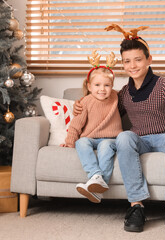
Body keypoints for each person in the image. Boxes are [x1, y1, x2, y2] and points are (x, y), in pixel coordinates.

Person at [74, 24, 165, 233]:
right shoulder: (122, 93)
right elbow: (103, 109)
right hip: (140, 139)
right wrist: (82, 103)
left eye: (138, 59)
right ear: (122, 65)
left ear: (149, 60)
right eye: (127, 61)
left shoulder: (164, 85)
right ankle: (136, 206)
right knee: (123, 137)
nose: (133, 65)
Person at [60, 50, 123, 204]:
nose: (102, 89)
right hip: (90, 138)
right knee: (81, 142)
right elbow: (76, 125)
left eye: (107, 85)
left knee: (105, 147)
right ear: (89, 86)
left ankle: (99, 183)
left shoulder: (116, 97)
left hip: (111, 138)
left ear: (112, 86)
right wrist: (69, 142)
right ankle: (95, 176)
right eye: (97, 85)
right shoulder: (85, 102)